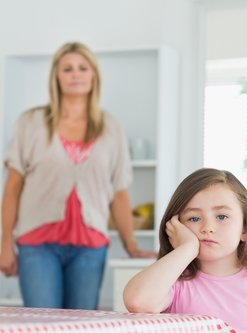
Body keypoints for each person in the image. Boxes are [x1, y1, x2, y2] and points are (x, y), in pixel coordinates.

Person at [0, 41, 156, 310]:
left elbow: (119, 192)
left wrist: (131, 244)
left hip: (90, 246)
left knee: (81, 325)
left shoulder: (110, 127)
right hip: (37, 245)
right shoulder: (31, 122)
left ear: (93, 75)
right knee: (41, 323)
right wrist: (4, 244)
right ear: (56, 77)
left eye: (83, 68)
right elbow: (13, 187)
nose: (75, 74)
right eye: (67, 69)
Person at [123, 168, 247, 333]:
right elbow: (137, 302)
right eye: (194, 218)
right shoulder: (173, 284)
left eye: (222, 216)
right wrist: (187, 248)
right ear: (176, 227)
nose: (207, 227)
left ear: (244, 229)